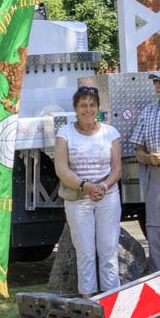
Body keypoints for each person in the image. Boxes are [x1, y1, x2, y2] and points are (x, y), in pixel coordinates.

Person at [54, 86, 123, 296]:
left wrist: (103, 186)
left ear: (98, 108)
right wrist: (86, 186)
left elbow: (117, 169)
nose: (88, 109)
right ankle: (89, 298)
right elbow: (61, 169)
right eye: (83, 105)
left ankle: (112, 297)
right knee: (85, 252)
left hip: (107, 196)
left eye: (92, 105)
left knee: (108, 250)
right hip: (78, 199)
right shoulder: (64, 133)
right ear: (75, 108)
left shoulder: (110, 132)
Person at [129, 66, 160, 272]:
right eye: (155, 82)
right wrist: (148, 158)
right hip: (155, 174)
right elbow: (138, 151)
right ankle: (159, 276)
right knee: (155, 227)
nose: (157, 86)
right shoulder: (148, 112)